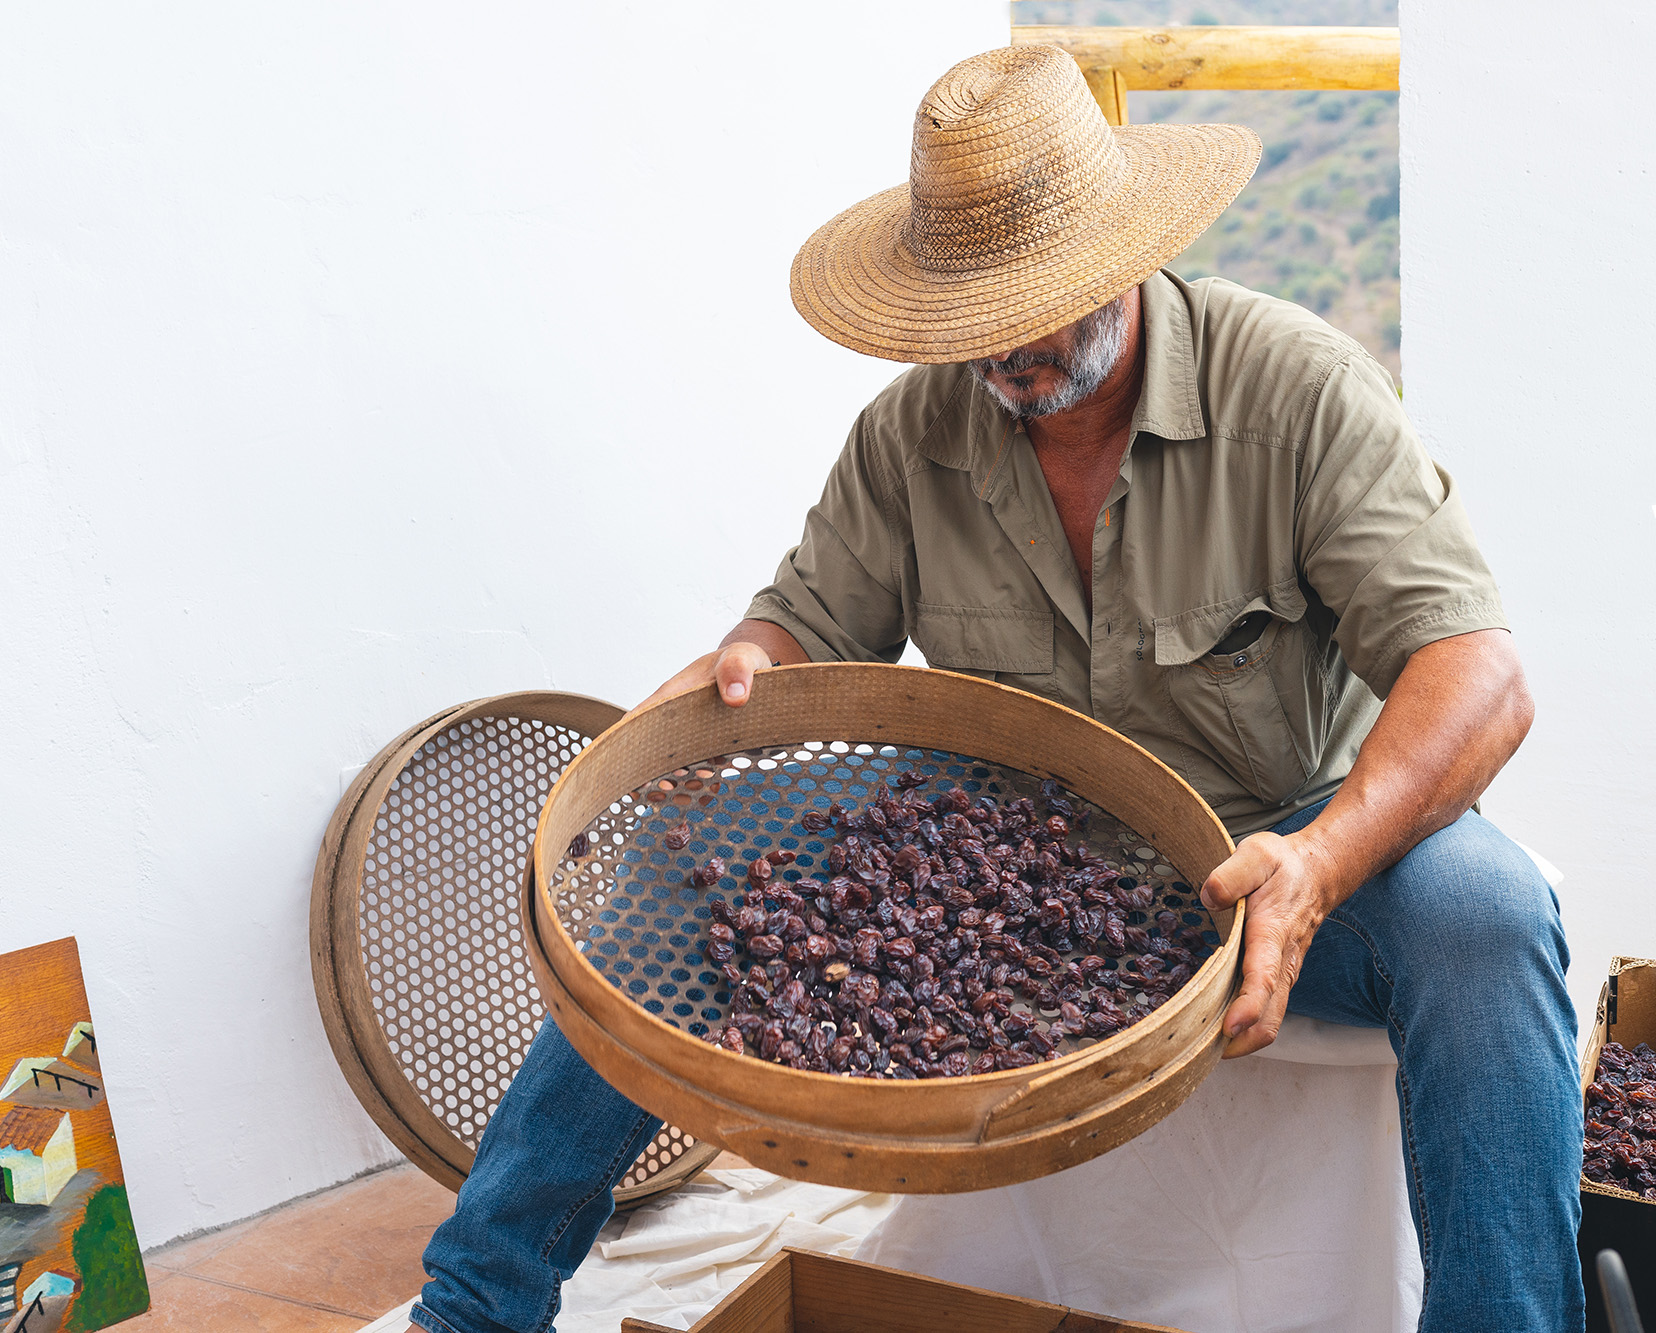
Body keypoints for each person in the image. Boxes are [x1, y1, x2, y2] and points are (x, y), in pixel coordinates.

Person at [409, 45, 1581, 1333]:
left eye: (1047, 299)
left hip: (1271, 846)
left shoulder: (1294, 392)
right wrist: (742, 669)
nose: (1012, 345)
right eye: (977, 316)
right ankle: (477, 1301)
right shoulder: (912, 434)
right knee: (674, 868)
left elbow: (1480, 672)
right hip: (1008, 859)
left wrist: (1323, 863)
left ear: (1125, 256)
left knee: (1488, 915)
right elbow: (801, 625)